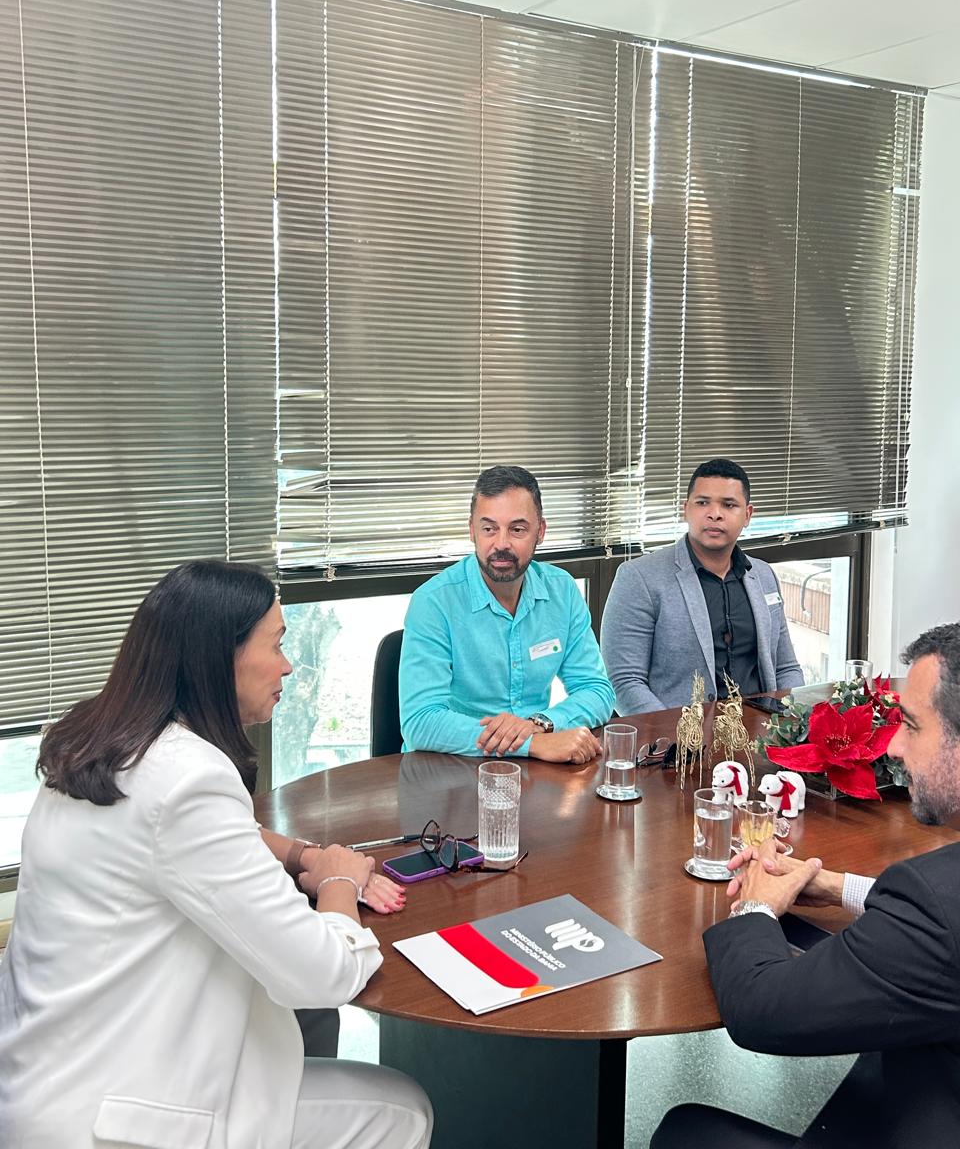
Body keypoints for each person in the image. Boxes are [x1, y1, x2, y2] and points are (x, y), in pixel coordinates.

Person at [0, 561, 432, 1149]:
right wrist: (339, 881)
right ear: (220, 658)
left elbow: (183, 837)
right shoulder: (189, 778)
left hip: (45, 1075)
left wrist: (301, 855)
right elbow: (323, 975)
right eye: (276, 645)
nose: (288, 665)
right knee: (401, 1109)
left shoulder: (98, 739)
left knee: (297, 1030)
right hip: (111, 1117)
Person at [652, 621, 960, 1149]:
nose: (893, 747)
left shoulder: (936, 908)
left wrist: (754, 906)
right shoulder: (937, 901)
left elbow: (760, 1010)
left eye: (911, 725)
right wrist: (838, 887)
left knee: (684, 1133)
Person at [400, 465, 612, 762]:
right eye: (489, 529)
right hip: (450, 767)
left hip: (536, 771)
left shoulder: (561, 590)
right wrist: (531, 744)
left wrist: (540, 724)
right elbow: (420, 723)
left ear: (540, 532)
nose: (501, 544)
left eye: (517, 529)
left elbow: (597, 691)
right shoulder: (434, 602)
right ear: (472, 530)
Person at [600, 457, 803, 714]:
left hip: (761, 728)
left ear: (747, 515)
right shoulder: (639, 577)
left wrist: (793, 721)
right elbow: (624, 681)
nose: (714, 514)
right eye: (703, 502)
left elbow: (786, 668)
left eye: (729, 505)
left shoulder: (763, 575)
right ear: (686, 509)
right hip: (679, 733)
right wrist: (674, 734)